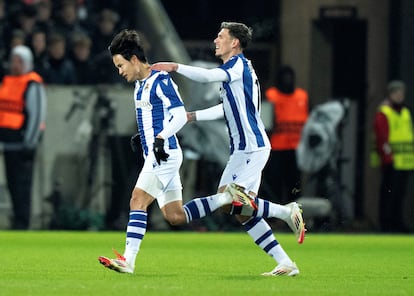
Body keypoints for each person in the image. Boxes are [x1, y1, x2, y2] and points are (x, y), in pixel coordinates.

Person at [152, 21, 306, 276]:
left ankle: (286, 211)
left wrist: (175, 66)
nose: (215, 40)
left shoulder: (237, 65)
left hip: (252, 147)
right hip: (242, 150)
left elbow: (207, 76)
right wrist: (193, 116)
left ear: (234, 42)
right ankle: (286, 263)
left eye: (220, 36)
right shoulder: (235, 71)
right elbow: (226, 108)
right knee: (239, 210)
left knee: (231, 198)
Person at [98, 29, 257, 274]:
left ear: (133, 59)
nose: (120, 71)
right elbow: (156, 117)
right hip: (158, 152)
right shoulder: (139, 86)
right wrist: (144, 136)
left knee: (137, 199)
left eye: (120, 65)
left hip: (165, 154)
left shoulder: (160, 80)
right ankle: (225, 198)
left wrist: (160, 138)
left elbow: (179, 114)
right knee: (175, 216)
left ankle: (128, 260)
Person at [0, 45, 47, 229]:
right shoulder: (6, 81)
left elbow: (36, 115)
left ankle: (22, 222)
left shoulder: (32, 83)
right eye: (14, 60)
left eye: (19, 61)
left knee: (22, 186)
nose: (15, 64)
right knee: (12, 185)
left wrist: (31, 141)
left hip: (23, 144)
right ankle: (17, 219)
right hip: (9, 142)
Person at [263, 65, 309, 203]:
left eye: (290, 77)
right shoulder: (271, 95)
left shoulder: (302, 97)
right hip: (276, 147)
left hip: (297, 148)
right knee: (274, 182)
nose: (288, 80)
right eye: (285, 77)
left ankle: (294, 213)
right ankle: (275, 215)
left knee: (294, 183)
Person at [373, 80, 414, 232]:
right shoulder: (384, 112)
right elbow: (382, 137)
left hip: (405, 162)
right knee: (388, 194)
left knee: (400, 195)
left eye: (402, 93)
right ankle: (386, 223)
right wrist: (386, 158)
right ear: (390, 94)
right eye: (397, 93)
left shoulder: (405, 112)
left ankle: (397, 222)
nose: (400, 96)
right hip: (391, 161)